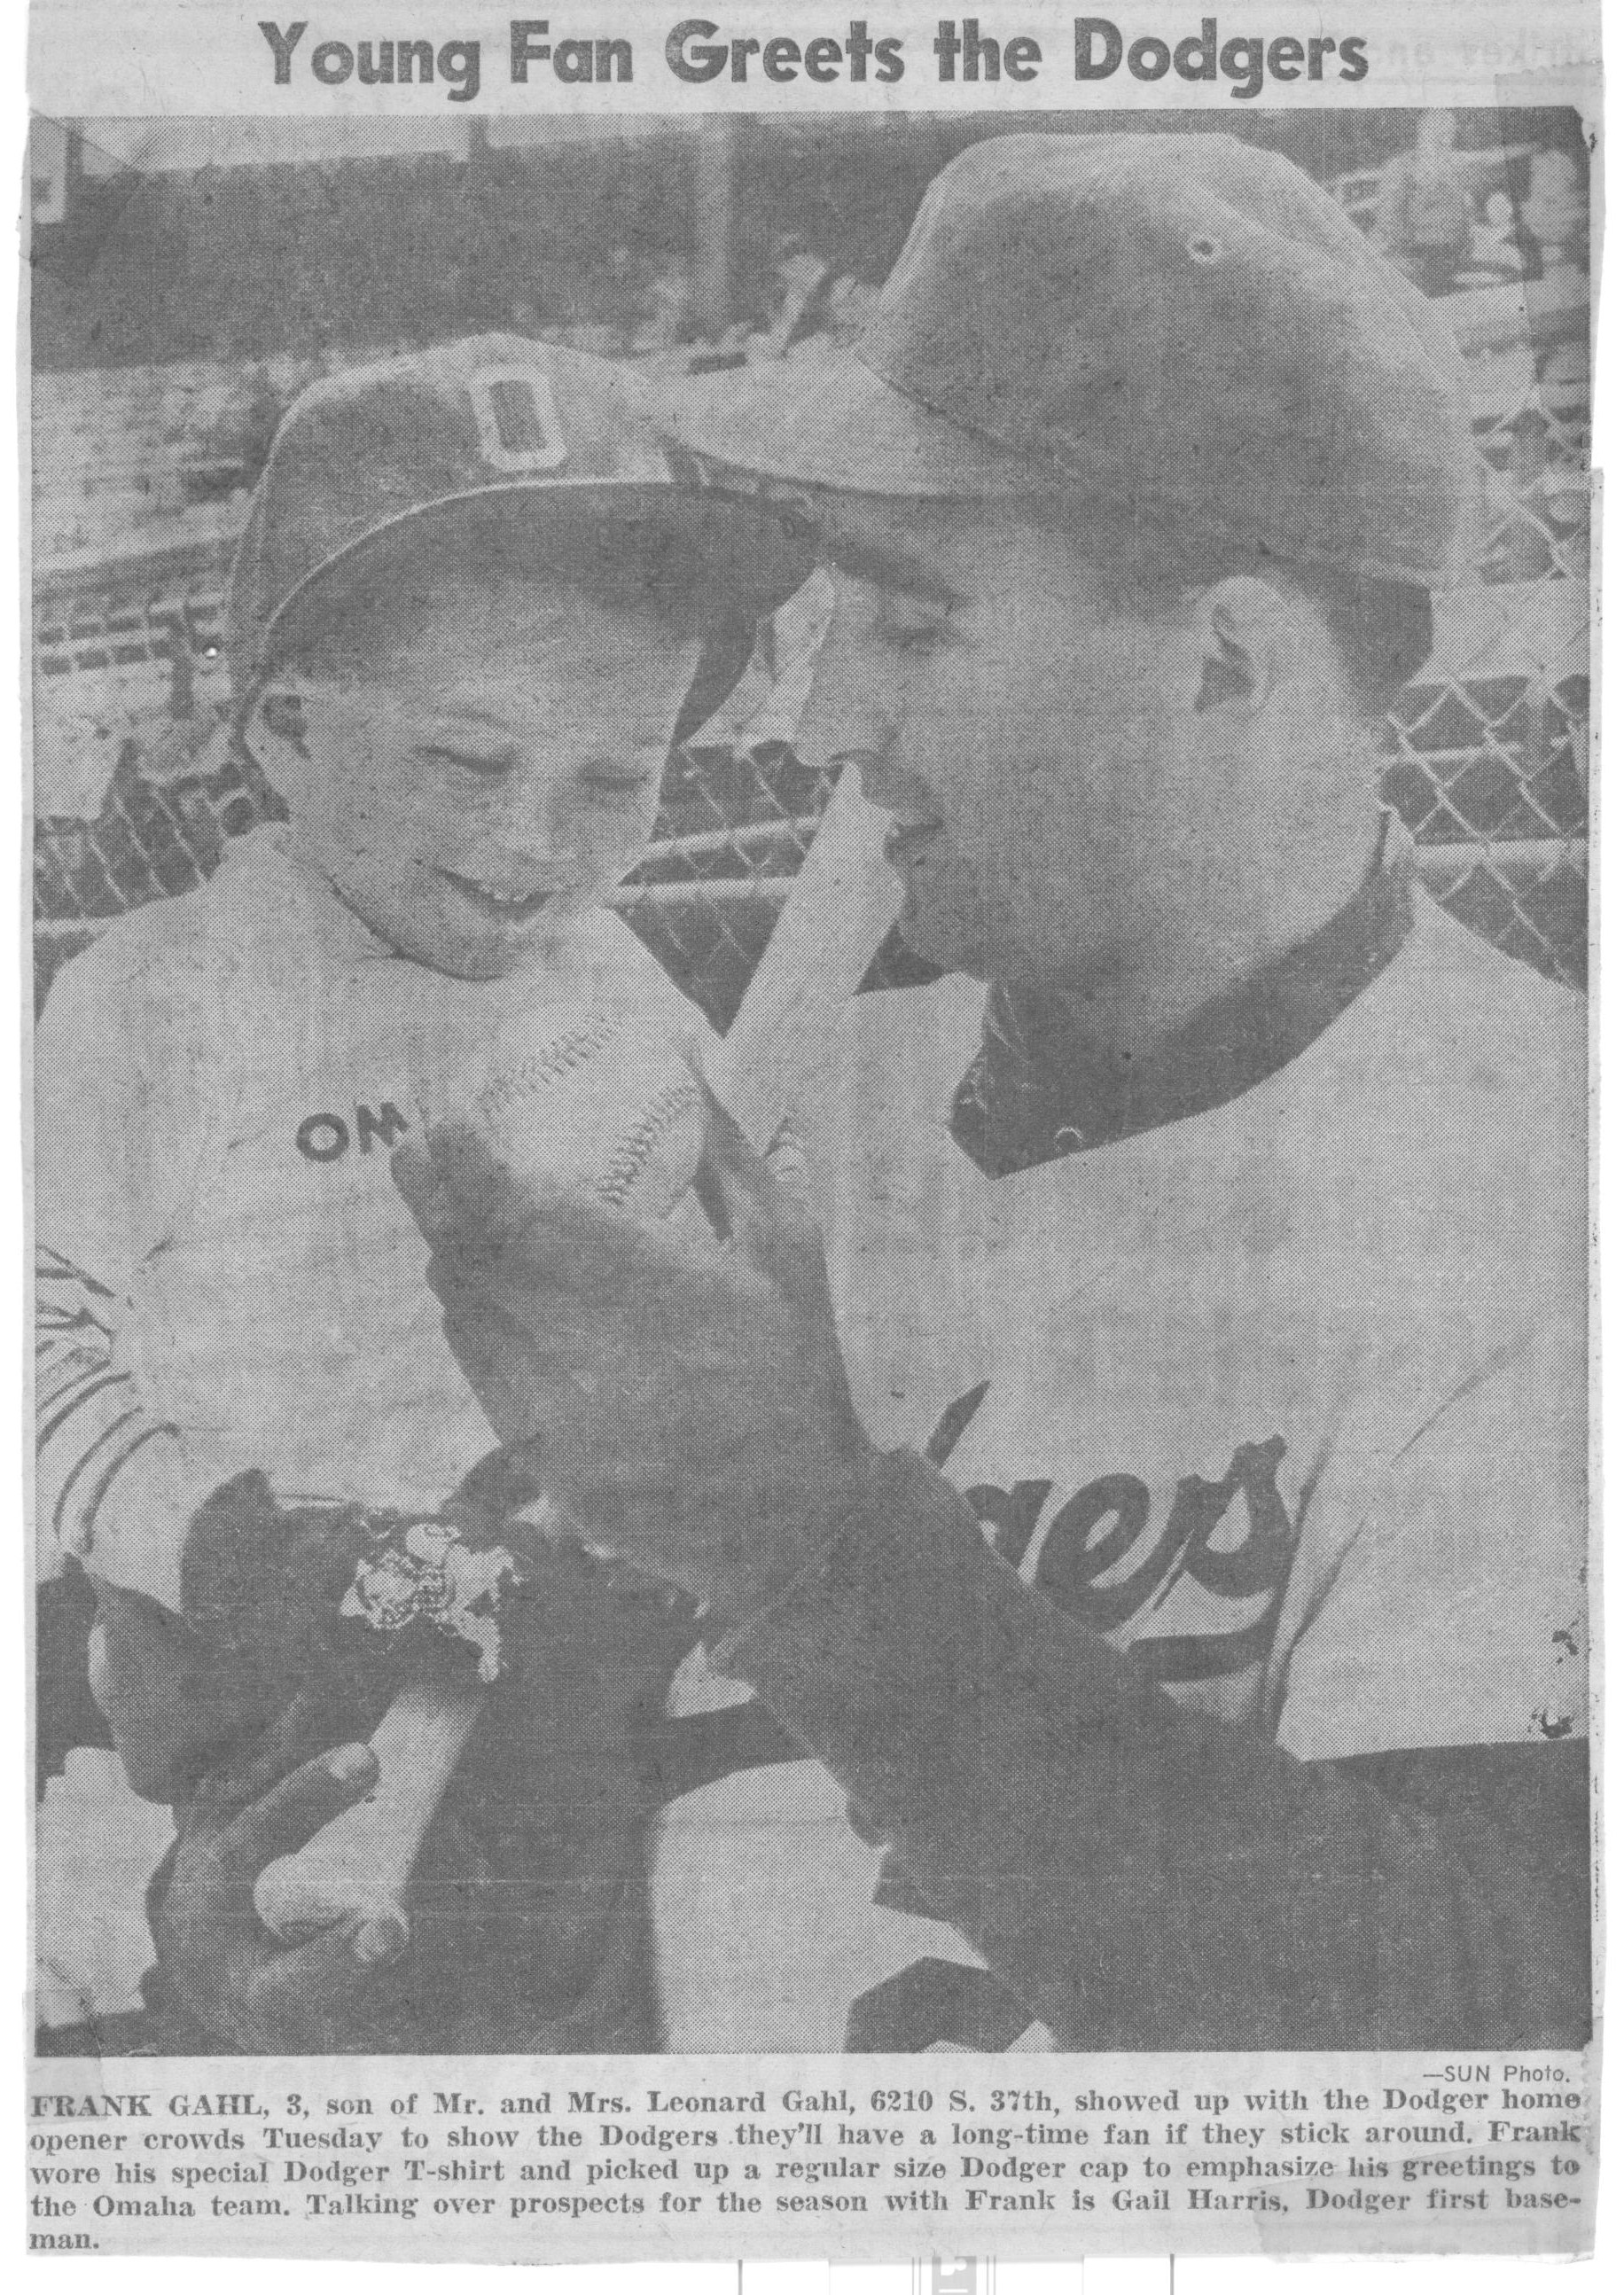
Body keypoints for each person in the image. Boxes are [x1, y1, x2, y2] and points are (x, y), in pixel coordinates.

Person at [383, 134, 1589, 2054]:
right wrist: (314, 1965)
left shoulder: (1532, 1176)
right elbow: (559, 1799)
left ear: (1225, 661)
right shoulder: (820, 1100)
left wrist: (805, 1540)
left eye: (912, 619)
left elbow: (1475, 2043)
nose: (816, 718)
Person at [35, 335, 810, 2051]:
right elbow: (31, 1348)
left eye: (617, 777)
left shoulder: (614, 988)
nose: (539, 841)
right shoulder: (155, 998)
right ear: (292, 734)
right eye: (469, 760)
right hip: (265, 1731)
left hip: (580, 1700)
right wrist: (227, 1540)